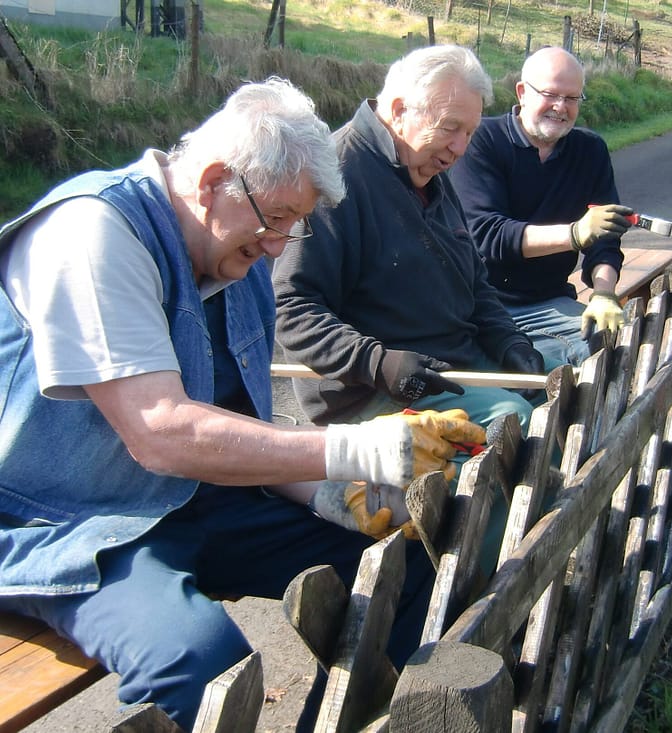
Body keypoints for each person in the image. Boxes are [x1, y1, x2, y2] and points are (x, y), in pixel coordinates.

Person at [0, 77, 485, 731]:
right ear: (213, 183)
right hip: (69, 523)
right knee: (204, 667)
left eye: (296, 224)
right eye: (279, 218)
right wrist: (363, 447)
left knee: (404, 568)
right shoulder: (94, 233)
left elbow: (235, 430)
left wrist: (329, 491)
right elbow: (162, 433)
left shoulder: (236, 250)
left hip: (193, 499)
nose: (282, 246)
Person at [273, 45, 551, 436]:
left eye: (469, 132)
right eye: (450, 128)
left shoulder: (427, 170)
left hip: (459, 359)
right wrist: (379, 363)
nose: (460, 148)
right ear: (401, 110)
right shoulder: (335, 176)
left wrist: (509, 343)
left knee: (561, 376)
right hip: (375, 390)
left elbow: (474, 283)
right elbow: (291, 307)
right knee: (518, 426)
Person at [449, 46, 633, 366]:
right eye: (550, 94)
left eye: (572, 98)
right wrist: (574, 234)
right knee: (554, 368)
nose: (560, 108)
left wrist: (604, 292)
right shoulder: (482, 140)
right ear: (522, 92)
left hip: (551, 301)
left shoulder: (590, 151)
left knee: (620, 346)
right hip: (481, 307)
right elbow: (486, 235)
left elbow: (605, 237)